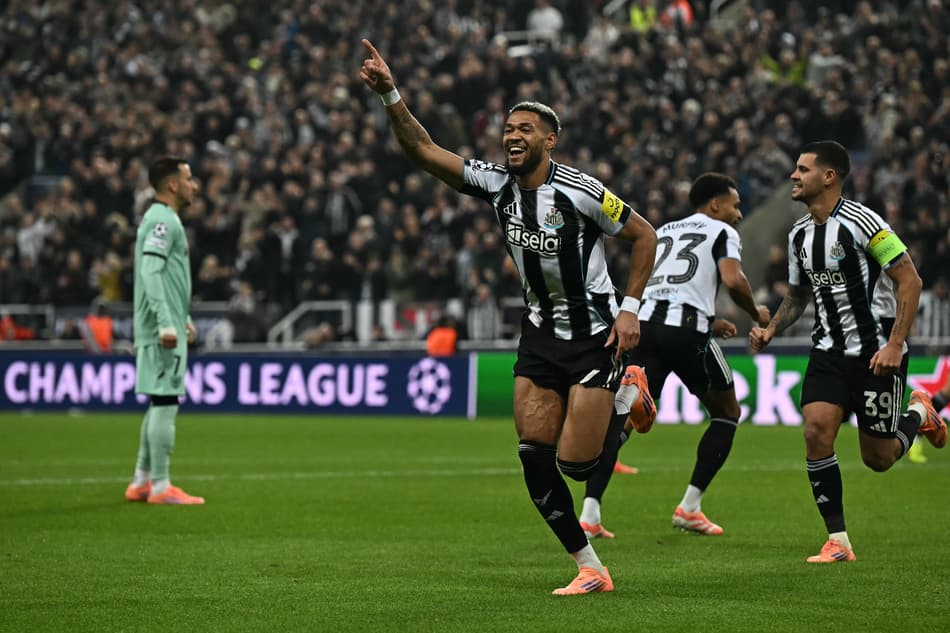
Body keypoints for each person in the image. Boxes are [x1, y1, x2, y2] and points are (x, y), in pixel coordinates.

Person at [359, 39, 657, 595]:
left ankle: (626, 394)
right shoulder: (496, 185)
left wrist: (631, 309)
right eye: (507, 128)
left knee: (576, 463)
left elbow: (645, 235)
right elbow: (424, 151)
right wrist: (391, 95)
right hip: (541, 335)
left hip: (594, 335)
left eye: (524, 129)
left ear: (550, 139)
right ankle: (590, 567)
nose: (511, 136)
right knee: (532, 455)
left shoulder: (583, 191)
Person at [750, 141, 946, 563]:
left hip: (877, 353)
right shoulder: (799, 234)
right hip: (827, 352)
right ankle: (838, 540)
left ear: (829, 176)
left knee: (880, 458)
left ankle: (919, 413)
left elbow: (909, 280)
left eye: (802, 169)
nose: (793, 176)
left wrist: (895, 343)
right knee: (816, 431)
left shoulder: (864, 222)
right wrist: (770, 329)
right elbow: (799, 295)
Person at [579, 173, 771, 539]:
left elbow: (667, 284)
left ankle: (589, 515)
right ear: (715, 205)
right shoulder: (722, 231)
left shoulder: (664, 230)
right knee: (727, 413)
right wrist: (756, 312)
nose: (739, 214)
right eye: (735, 205)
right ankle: (690, 507)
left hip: (646, 326)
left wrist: (709, 320)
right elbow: (733, 280)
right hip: (685, 331)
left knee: (621, 420)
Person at [123, 157, 205, 505]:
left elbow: (162, 277)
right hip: (161, 331)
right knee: (166, 402)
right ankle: (160, 486)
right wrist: (166, 322)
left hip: (165, 323)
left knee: (159, 401)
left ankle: (141, 481)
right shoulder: (162, 221)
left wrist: (179, 316)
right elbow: (150, 272)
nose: (194, 185)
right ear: (172, 185)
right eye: (189, 178)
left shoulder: (161, 218)